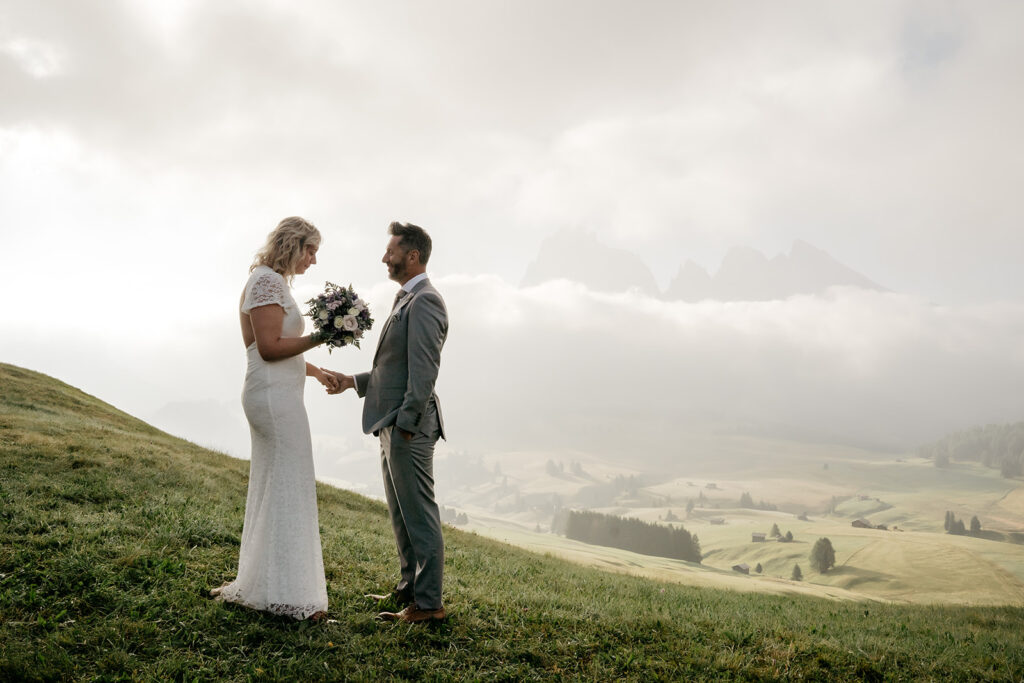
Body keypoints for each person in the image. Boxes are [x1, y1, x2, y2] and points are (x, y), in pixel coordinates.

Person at [211, 216, 339, 621]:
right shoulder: (266, 281)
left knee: (278, 484)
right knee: (289, 484)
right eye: (311, 250)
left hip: (277, 393)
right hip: (272, 399)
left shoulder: (272, 281)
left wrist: (316, 371)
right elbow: (268, 348)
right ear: (293, 245)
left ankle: (268, 585)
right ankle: (292, 597)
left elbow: (280, 348)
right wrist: (326, 333)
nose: (314, 260)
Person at [323, 221, 449, 624]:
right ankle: (407, 590)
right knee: (400, 513)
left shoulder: (426, 301)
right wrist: (353, 382)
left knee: (419, 514)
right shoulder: (405, 299)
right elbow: (393, 367)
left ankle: (429, 605)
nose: (384, 257)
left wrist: (407, 425)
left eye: (390, 250)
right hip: (391, 423)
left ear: (412, 255)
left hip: (408, 426)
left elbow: (424, 371)